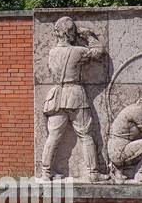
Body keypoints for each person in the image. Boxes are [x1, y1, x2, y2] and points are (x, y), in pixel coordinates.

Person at [39, 16, 106, 181]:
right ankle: (93, 173)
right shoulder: (78, 51)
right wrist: (88, 35)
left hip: (56, 95)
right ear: (70, 33)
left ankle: (46, 173)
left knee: (53, 136)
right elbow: (99, 51)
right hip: (75, 94)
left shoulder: (52, 52)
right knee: (86, 135)